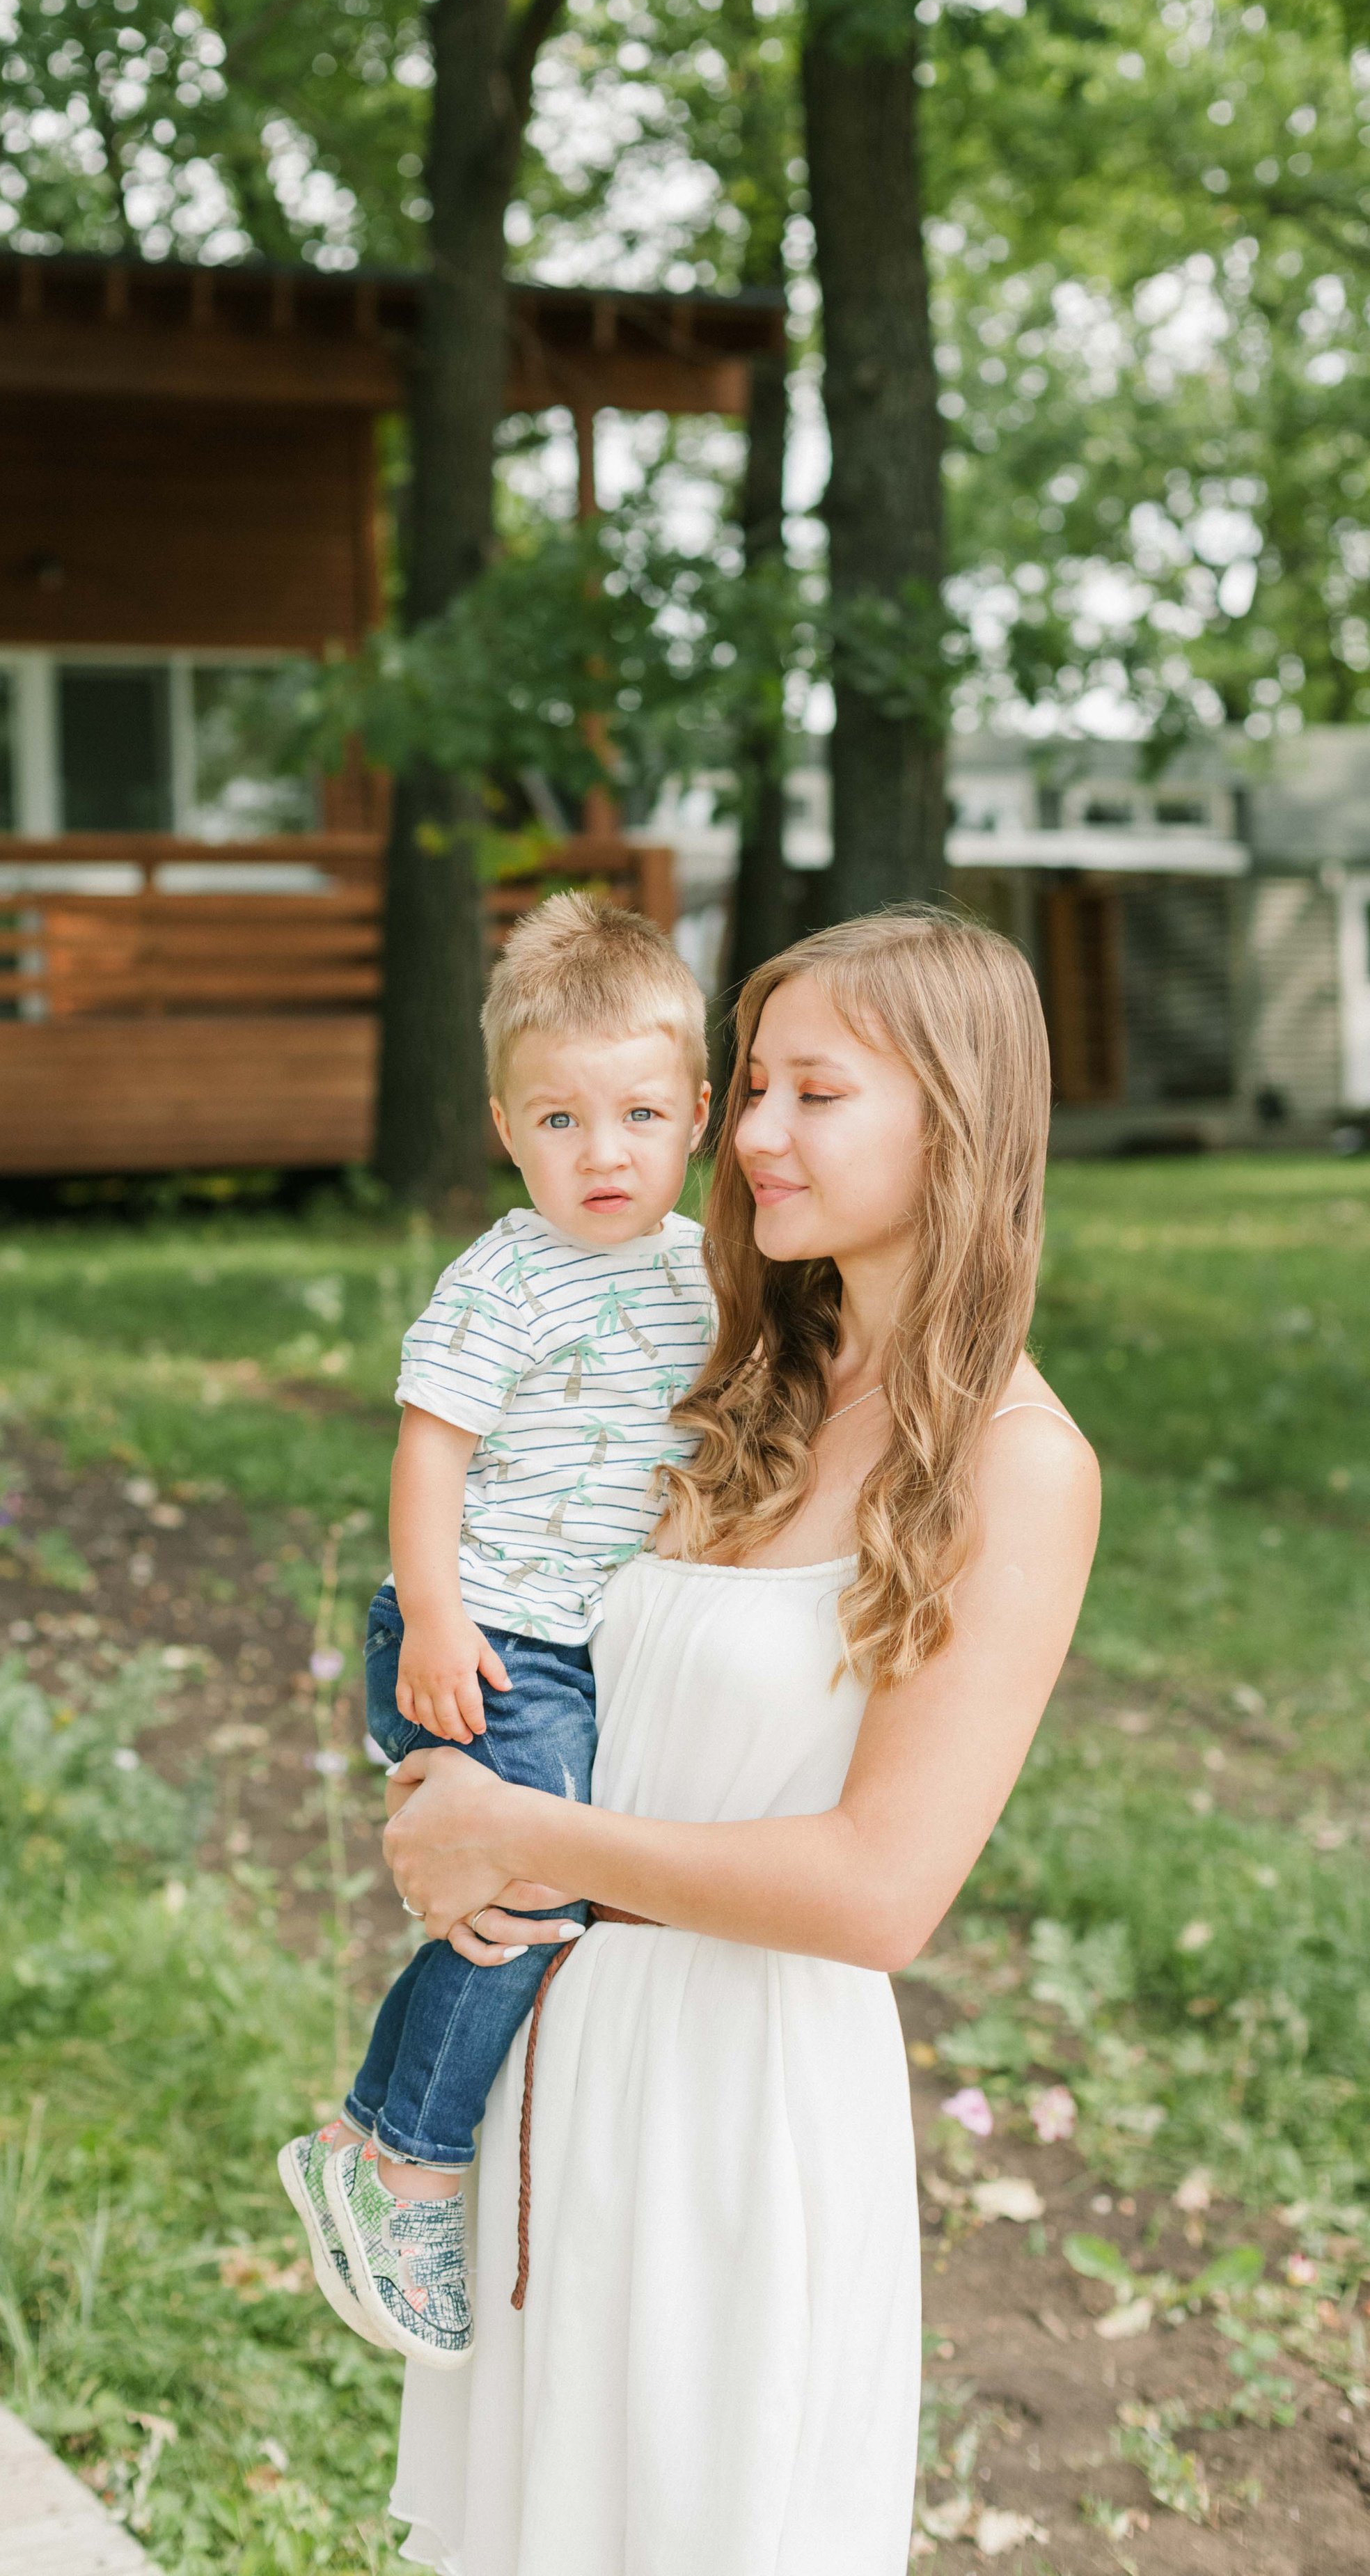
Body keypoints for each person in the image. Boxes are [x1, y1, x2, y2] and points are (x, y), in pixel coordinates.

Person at [376, 905, 1101, 2575]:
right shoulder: (725, 1371)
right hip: (557, 2067)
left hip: (738, 2117)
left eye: (813, 1095)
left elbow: (876, 1895)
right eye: (752, 1085)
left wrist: (524, 1841)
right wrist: (442, 1784)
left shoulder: (1016, 1464)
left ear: (954, 1121)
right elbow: (511, 1622)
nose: (750, 1133)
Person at [278, 892, 716, 2367]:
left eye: (638, 1113)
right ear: (502, 1127)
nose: (602, 1154)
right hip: (488, 1636)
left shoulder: (700, 1269)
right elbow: (427, 1457)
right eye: (559, 1120)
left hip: (582, 1644)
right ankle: (409, 2168)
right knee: (530, 1898)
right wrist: (432, 1625)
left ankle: (357, 2140)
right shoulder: (504, 1279)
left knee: (512, 1901)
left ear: (696, 1114)